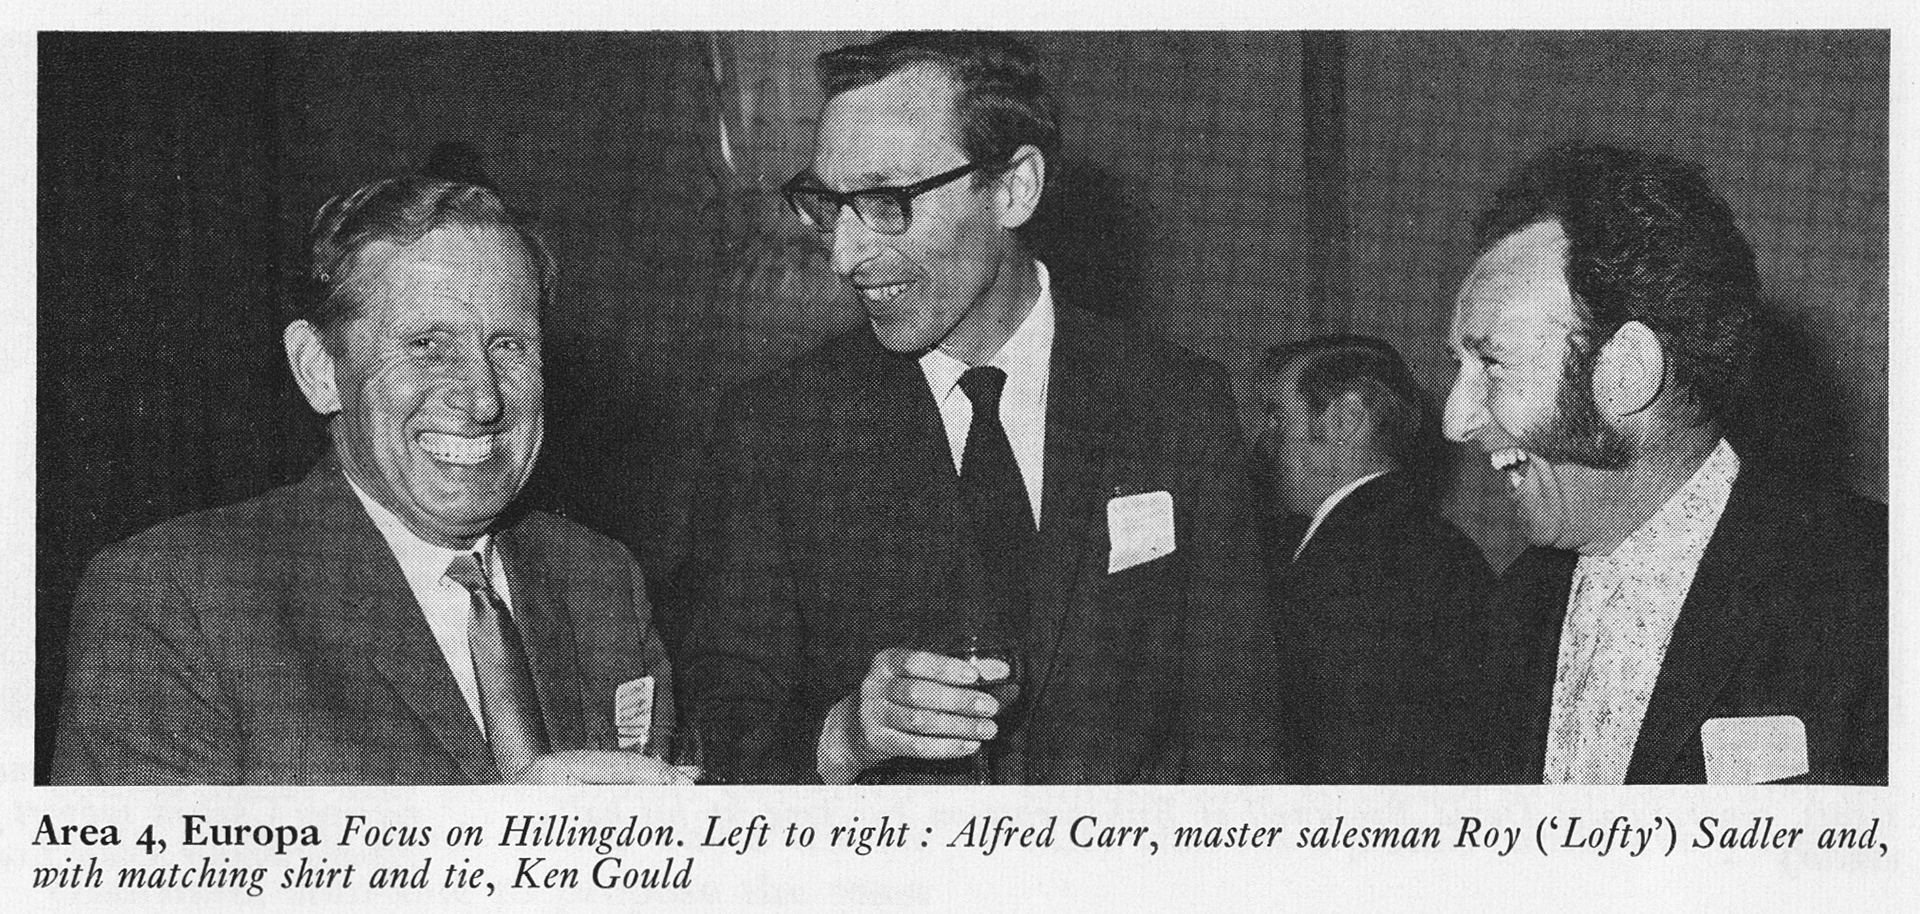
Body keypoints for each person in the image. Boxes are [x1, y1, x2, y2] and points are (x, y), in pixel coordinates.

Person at [674, 32, 1279, 784]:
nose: (844, 256)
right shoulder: (774, 430)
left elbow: (1240, 733)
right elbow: (721, 730)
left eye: (887, 201)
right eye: (829, 206)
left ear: (1014, 188)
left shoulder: (1177, 404)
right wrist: (845, 736)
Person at [53, 174, 690, 785]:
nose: (483, 399)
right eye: (428, 344)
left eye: (508, 346)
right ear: (321, 370)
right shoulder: (176, 599)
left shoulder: (602, 581)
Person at [1444, 143, 1886, 785]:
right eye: (1458, 364)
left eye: (1492, 363)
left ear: (1626, 372)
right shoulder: (1513, 610)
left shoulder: (1874, 595)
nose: (1458, 419)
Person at [1257, 335, 1492, 783]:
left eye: (1276, 417)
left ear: (1346, 419)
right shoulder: (1431, 547)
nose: (1266, 440)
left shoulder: (1359, 564)